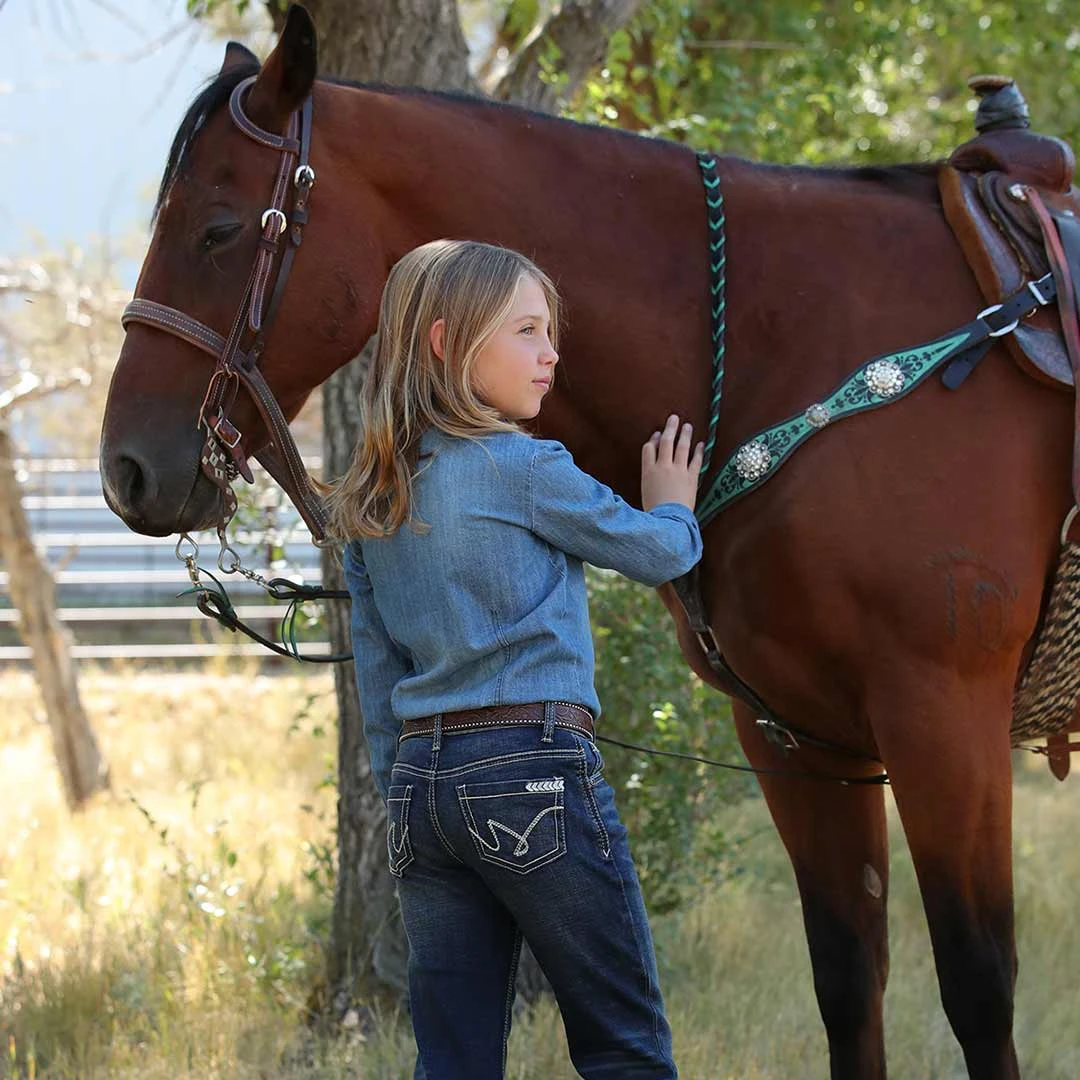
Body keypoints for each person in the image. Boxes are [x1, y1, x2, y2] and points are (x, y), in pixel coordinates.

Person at [328, 238, 703, 1080]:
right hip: (532, 769)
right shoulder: (525, 467)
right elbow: (656, 555)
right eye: (526, 331)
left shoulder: (372, 493)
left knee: (454, 1059)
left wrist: (407, 795)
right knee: (624, 1047)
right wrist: (674, 507)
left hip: (421, 792)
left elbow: (378, 671)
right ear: (443, 342)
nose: (551, 353)